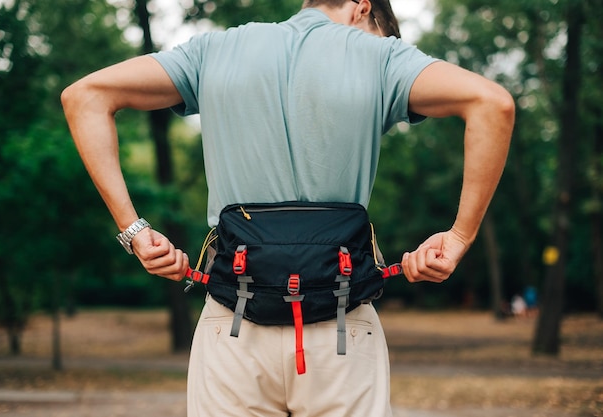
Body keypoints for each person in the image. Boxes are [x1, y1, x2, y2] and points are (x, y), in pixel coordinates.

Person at [61, 0, 514, 415]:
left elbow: (84, 96)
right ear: (362, 8)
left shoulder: (213, 51)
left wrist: (134, 229)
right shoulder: (383, 57)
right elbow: (492, 103)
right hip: (342, 325)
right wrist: (458, 238)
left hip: (232, 322)